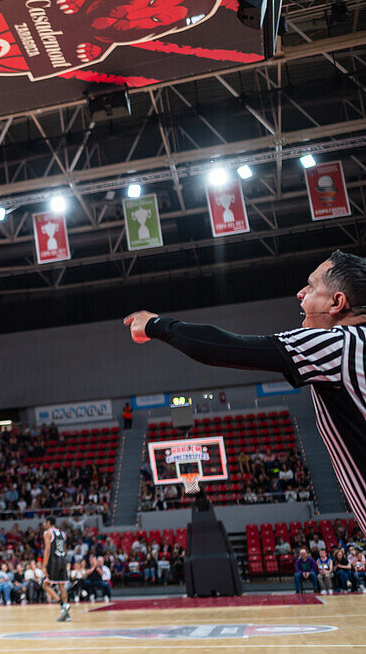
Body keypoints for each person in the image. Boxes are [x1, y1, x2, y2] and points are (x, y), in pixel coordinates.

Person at [125, 251, 366, 529]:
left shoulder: (336, 344)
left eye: (311, 287)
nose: (300, 294)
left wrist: (156, 324)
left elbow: (226, 347)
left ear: (337, 303)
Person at [41, 517, 71, 622]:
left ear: (48, 523)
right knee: (61, 586)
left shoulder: (47, 533)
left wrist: (44, 565)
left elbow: (48, 549)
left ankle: (62, 605)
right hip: (63, 560)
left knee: (44, 584)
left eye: (45, 522)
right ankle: (66, 615)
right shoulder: (62, 533)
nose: (44, 524)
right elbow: (64, 548)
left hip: (53, 561)